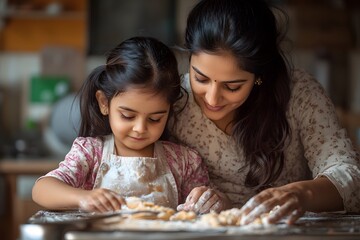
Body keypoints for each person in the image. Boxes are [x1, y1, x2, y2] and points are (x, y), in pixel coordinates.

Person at [172, 0, 360, 225]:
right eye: (200, 79)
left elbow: (351, 178)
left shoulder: (299, 93)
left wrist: (301, 194)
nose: (212, 99)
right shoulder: (175, 101)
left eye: (232, 86)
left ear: (259, 76)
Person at [32, 36, 212, 213]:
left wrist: (210, 201)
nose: (140, 128)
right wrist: (83, 197)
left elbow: (204, 209)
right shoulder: (91, 154)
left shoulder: (184, 162)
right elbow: (41, 190)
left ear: (169, 110)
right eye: (127, 116)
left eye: (155, 119)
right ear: (104, 103)